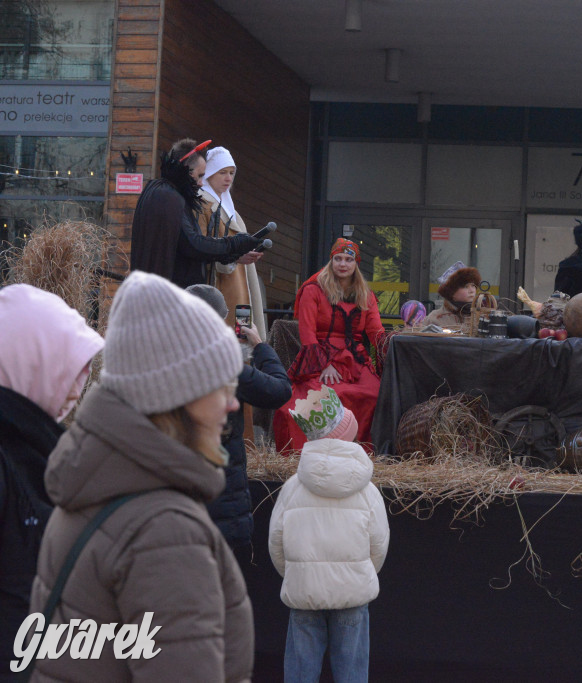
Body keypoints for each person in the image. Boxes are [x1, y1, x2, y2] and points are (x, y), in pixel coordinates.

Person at [30, 271, 253, 681]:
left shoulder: (88, 488)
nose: (233, 403)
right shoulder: (164, 529)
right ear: (177, 396)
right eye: (222, 386)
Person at [0, 285, 103, 682]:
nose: (77, 391)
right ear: (30, 363)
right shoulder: (16, 459)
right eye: (66, 371)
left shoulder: (40, 450)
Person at [268, 411, 390, 683]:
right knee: (352, 673)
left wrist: (298, 574)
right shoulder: (368, 491)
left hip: (305, 590)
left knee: (301, 673)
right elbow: (378, 546)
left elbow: (276, 543)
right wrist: (359, 573)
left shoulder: (292, 488)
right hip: (352, 591)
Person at [187, 283, 291, 565]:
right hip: (220, 504)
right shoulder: (224, 367)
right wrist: (260, 346)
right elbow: (279, 390)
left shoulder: (155, 360)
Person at [273, 238, 386, 452]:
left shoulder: (365, 294)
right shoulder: (313, 289)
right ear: (331, 261)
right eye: (338, 259)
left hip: (355, 359)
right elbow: (307, 333)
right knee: (318, 400)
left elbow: (376, 332)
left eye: (348, 259)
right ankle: (311, 452)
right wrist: (323, 365)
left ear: (356, 263)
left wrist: (393, 345)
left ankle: (362, 452)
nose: (343, 264)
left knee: (374, 394)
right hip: (319, 357)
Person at [129, 137, 262, 288]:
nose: (200, 183)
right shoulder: (168, 196)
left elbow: (186, 247)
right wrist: (234, 244)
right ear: (185, 169)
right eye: (199, 176)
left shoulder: (162, 191)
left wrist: (230, 254)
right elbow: (193, 244)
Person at [197, 146, 267, 338]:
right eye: (222, 172)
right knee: (226, 340)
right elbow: (202, 247)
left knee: (242, 336)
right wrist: (234, 257)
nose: (228, 178)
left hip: (238, 283)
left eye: (231, 173)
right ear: (209, 173)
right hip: (219, 286)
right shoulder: (203, 204)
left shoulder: (230, 209)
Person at [422, 263, 485, 330]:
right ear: (451, 292)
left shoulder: (483, 317)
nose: (472, 291)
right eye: (466, 287)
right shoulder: (435, 318)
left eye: (473, 285)